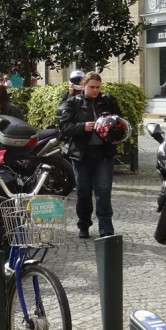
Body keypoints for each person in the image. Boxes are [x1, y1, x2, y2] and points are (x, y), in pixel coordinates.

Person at [57, 72, 121, 239]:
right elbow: (64, 128)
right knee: (84, 192)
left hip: (103, 154)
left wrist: (114, 131)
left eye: (98, 87)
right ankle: (83, 225)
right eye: (91, 87)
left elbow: (120, 122)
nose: (95, 90)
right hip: (81, 155)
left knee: (103, 191)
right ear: (84, 86)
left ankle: (106, 228)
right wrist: (82, 127)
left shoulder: (107, 100)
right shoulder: (73, 102)